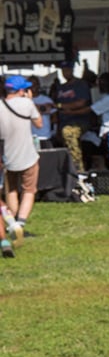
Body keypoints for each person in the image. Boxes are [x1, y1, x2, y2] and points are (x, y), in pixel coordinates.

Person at [0, 75, 43, 240]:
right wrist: (29, 100)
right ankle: (20, 224)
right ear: (21, 90)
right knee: (29, 190)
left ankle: (12, 224)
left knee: (10, 190)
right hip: (27, 154)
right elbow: (39, 124)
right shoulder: (26, 103)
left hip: (7, 156)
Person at [54, 60, 90, 171]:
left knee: (69, 133)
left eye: (67, 70)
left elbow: (82, 102)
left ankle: (78, 169)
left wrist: (62, 106)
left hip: (79, 121)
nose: (65, 73)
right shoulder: (60, 87)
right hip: (63, 121)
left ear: (72, 70)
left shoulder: (80, 84)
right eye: (63, 71)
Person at [29, 77, 56, 149]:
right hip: (29, 137)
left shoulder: (47, 99)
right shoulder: (24, 101)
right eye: (30, 84)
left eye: (35, 84)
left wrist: (45, 124)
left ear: (38, 85)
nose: (33, 86)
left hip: (45, 136)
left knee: (48, 158)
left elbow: (55, 118)